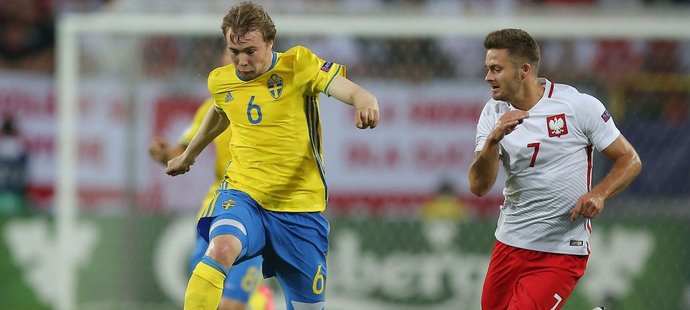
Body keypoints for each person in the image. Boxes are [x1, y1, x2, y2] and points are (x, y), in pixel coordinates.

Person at [165, 2, 379, 310]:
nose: (241, 61)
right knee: (221, 248)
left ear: (270, 41)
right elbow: (220, 111)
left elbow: (343, 87)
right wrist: (189, 155)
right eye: (234, 51)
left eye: (250, 51)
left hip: (299, 209)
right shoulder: (221, 80)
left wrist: (364, 98)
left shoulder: (298, 65)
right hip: (245, 195)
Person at [468, 28, 642, 309]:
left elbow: (630, 160)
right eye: (487, 69)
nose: (488, 77)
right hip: (509, 243)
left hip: (559, 250)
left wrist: (599, 194)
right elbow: (478, 186)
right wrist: (493, 141)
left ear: (523, 70)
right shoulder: (492, 113)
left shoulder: (577, 106)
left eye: (496, 69)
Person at [149, 96, 273, 310]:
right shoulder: (219, 100)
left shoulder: (279, 95)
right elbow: (184, 151)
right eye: (232, 59)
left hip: (256, 209)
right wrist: (166, 155)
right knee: (206, 298)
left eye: (247, 58)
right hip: (219, 207)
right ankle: (258, 299)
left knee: (231, 304)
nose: (238, 61)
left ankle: (257, 298)